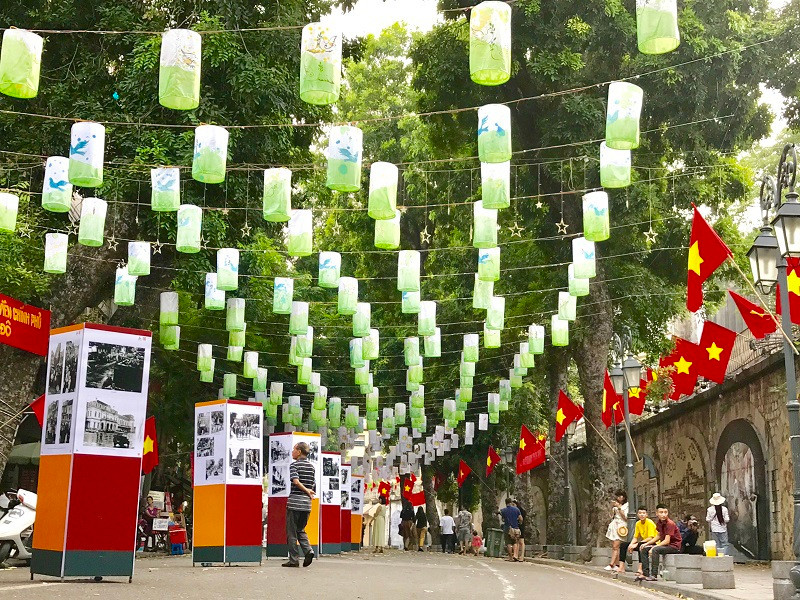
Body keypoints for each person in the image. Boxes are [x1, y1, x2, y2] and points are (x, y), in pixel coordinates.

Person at [283, 442, 316, 568]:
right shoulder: (312, 467)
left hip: (295, 503)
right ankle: (308, 550)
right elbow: (313, 486)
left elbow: (295, 481)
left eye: (294, 449)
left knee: (291, 532)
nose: (292, 452)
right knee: (300, 529)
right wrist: (308, 491)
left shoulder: (294, 465)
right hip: (306, 504)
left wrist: (306, 490)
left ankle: (294, 560)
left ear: (299, 451)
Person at [639, 504, 681, 581]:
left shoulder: (670, 524)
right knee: (644, 549)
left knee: (655, 550)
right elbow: (658, 536)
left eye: (665, 512)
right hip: (665, 545)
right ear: (657, 513)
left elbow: (667, 540)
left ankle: (654, 575)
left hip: (674, 546)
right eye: (661, 512)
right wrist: (646, 544)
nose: (663, 515)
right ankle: (645, 573)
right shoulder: (659, 523)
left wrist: (654, 547)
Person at [617, 506, 657, 575]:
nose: (642, 515)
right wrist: (631, 545)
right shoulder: (638, 523)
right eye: (640, 513)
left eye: (643, 513)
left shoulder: (649, 522)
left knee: (640, 546)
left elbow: (651, 538)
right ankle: (621, 567)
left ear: (646, 514)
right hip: (644, 542)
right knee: (623, 545)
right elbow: (635, 537)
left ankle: (640, 569)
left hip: (653, 542)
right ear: (637, 514)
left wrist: (637, 544)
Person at [604, 490, 629, 571]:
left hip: (621, 526)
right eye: (618, 496)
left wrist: (619, 508)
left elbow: (625, 518)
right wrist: (612, 508)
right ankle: (617, 564)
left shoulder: (626, 506)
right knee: (616, 546)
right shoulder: (615, 505)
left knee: (616, 545)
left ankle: (611, 564)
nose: (619, 498)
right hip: (615, 525)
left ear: (624, 497)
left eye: (621, 496)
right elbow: (611, 516)